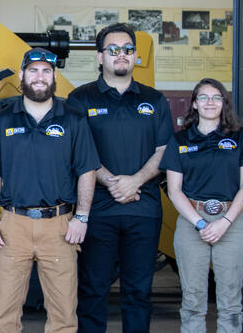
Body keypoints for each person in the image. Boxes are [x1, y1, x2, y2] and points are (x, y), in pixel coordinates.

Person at [0, 47, 99, 333]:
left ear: (54, 76)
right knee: (4, 316)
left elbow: (87, 171)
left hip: (59, 226)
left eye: (46, 70)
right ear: (22, 75)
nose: (39, 76)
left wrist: (81, 217)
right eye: (33, 70)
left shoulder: (73, 120)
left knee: (63, 317)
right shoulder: (3, 120)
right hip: (13, 226)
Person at [67, 23, 174, 333]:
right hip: (97, 211)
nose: (121, 55)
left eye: (128, 49)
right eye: (113, 50)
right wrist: (113, 182)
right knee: (92, 291)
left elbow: (164, 149)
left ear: (135, 56)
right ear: (100, 56)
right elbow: (77, 151)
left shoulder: (154, 100)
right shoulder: (80, 98)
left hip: (144, 208)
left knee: (138, 293)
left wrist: (134, 181)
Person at [159, 78, 243, 333]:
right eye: (203, 97)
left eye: (216, 97)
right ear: (194, 103)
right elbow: (174, 190)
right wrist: (202, 223)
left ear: (224, 103)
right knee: (193, 301)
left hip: (231, 220)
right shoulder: (180, 140)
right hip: (192, 220)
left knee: (230, 301)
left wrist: (224, 223)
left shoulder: (241, 138)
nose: (210, 103)